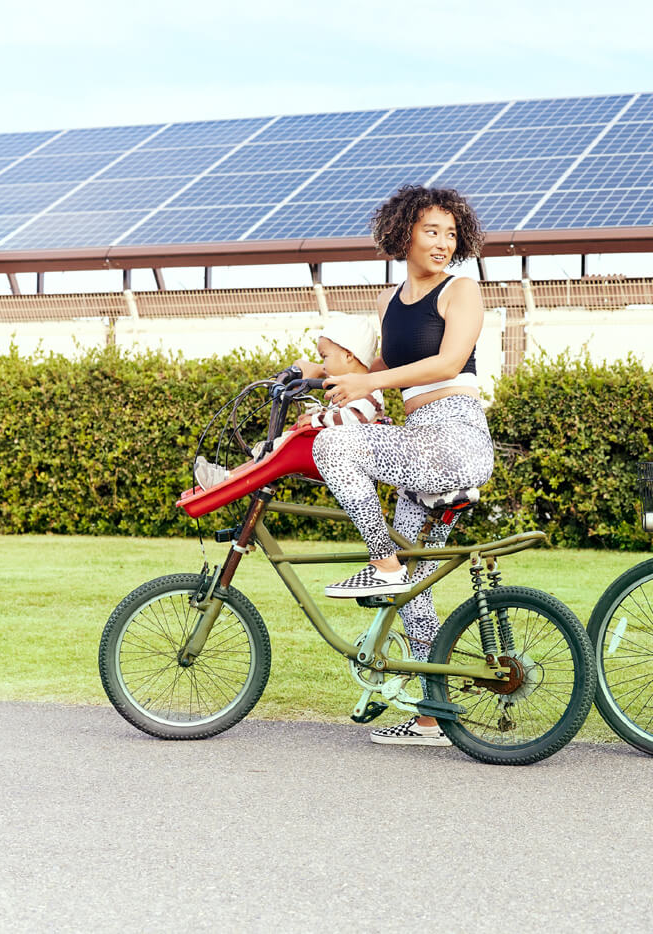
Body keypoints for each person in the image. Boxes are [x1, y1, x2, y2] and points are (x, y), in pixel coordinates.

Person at [311, 184, 494, 747]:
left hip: (455, 439)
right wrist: (313, 372)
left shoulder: (461, 291)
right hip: (419, 443)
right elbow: (377, 362)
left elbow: (448, 360)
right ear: (404, 233)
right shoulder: (395, 303)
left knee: (332, 447)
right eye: (431, 231)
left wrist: (368, 381)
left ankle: (382, 563)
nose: (442, 243)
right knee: (416, 589)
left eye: (450, 234)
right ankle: (432, 717)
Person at [193, 316, 382, 490]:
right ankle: (227, 476)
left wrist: (316, 419)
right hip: (335, 453)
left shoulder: (368, 389)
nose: (322, 365)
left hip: (345, 458)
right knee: (276, 448)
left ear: (348, 355)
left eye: (325, 356)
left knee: (279, 450)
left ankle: (227, 479)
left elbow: (353, 420)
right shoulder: (349, 387)